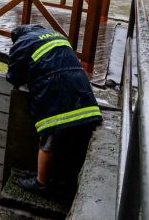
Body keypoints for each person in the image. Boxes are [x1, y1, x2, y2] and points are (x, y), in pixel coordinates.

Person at [6, 24, 102, 199]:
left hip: (57, 99)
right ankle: (58, 179)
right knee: (69, 140)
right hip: (85, 99)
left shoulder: (22, 43)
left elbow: (13, 76)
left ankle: (41, 183)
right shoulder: (57, 35)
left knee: (49, 138)